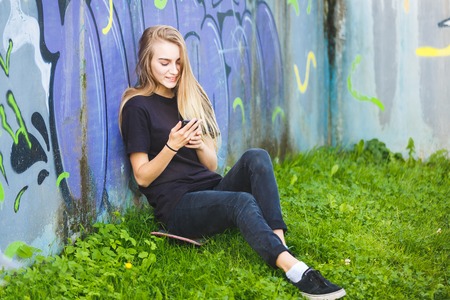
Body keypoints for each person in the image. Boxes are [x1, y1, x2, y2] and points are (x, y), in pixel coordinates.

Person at [119, 25, 346, 300]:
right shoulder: (137, 107)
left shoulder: (186, 97)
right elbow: (142, 177)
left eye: (178, 62)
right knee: (241, 201)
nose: (173, 70)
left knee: (256, 156)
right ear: (147, 62)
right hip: (179, 206)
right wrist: (172, 145)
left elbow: (211, 167)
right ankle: (294, 270)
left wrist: (200, 143)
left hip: (211, 190)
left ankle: (280, 244)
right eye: (164, 62)